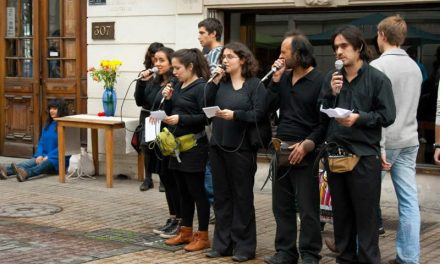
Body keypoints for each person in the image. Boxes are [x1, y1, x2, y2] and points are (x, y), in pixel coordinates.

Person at [320, 25, 396, 263]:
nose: (339, 52)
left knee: (366, 217)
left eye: (344, 46)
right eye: (336, 48)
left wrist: (359, 118)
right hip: (336, 156)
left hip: (364, 157)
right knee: (341, 216)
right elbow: (321, 111)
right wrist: (331, 94)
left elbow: (388, 115)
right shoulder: (332, 79)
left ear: (359, 47)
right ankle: (345, 258)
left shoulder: (377, 79)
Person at [264, 31, 326, 264]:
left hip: (306, 151)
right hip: (281, 149)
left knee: (308, 208)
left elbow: (324, 122)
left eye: (284, 52)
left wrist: (308, 145)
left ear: (299, 54)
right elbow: (266, 107)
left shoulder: (320, 80)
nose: (280, 56)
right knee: (281, 206)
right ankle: (285, 252)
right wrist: (275, 79)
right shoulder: (283, 78)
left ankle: (310, 254)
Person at [204, 42, 266, 262]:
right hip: (218, 146)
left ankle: (244, 247)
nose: (225, 60)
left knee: (242, 198)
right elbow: (205, 104)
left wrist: (236, 115)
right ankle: (222, 244)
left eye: (230, 56)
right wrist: (214, 81)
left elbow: (260, 114)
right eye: (224, 57)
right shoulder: (221, 84)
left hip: (242, 149)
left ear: (242, 59)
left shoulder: (255, 85)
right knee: (222, 198)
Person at [370, 15, 422, 264]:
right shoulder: (415, 67)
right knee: (409, 202)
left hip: (385, 142)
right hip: (409, 139)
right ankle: (409, 257)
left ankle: (363, 250)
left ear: (382, 35)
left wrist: (379, 146)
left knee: (366, 199)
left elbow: (379, 112)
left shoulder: (378, 67)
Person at [161, 48, 211, 252]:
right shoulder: (179, 85)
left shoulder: (202, 88)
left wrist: (182, 119)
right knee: (183, 193)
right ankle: (186, 231)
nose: (174, 72)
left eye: (178, 68)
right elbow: (173, 111)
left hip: (194, 147)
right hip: (177, 146)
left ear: (190, 67)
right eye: (173, 68)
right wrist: (169, 99)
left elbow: (206, 117)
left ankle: (203, 235)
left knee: (197, 192)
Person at [134, 46, 182, 239]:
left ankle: (180, 220)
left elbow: (171, 107)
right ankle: (172, 218)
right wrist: (141, 82)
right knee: (165, 178)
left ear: (171, 63)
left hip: (168, 135)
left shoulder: (175, 83)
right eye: (155, 60)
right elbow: (141, 101)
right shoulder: (154, 81)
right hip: (154, 132)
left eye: (161, 60)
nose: (157, 64)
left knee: (173, 180)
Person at [0, 99, 69, 181]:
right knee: (28, 163)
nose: (51, 111)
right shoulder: (48, 125)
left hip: (57, 160)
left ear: (61, 110)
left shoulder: (67, 127)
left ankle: (26, 174)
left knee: (43, 165)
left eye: (54, 109)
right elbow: (41, 143)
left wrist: (48, 157)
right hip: (44, 156)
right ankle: (6, 171)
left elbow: (65, 146)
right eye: (50, 108)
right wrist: (39, 155)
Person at [198, 17, 224, 223]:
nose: (199, 37)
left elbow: (211, 84)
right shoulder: (207, 54)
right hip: (209, 114)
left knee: (210, 163)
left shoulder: (218, 54)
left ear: (213, 34)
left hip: (213, 116)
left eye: (202, 33)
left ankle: (216, 204)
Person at [135, 42, 164, 192]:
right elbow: (138, 100)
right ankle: (148, 178)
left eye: (159, 58)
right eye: (153, 57)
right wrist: (141, 82)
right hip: (147, 114)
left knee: (161, 145)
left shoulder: (166, 76)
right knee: (146, 147)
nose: (155, 61)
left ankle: (163, 179)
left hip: (161, 114)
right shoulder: (146, 74)